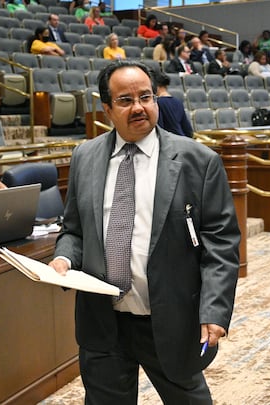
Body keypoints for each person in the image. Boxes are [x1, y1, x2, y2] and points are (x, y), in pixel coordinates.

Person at [48, 59, 239, 404]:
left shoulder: (198, 160)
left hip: (170, 317)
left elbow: (220, 243)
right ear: (106, 108)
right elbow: (74, 230)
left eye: (145, 97)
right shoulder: (85, 157)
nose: (138, 108)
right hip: (103, 320)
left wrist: (214, 309)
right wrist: (63, 258)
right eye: (125, 100)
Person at [154, 69, 193, 137]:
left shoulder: (158, 103)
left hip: (169, 142)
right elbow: (188, 130)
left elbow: (160, 130)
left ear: (156, 86)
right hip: (183, 139)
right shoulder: (178, 101)